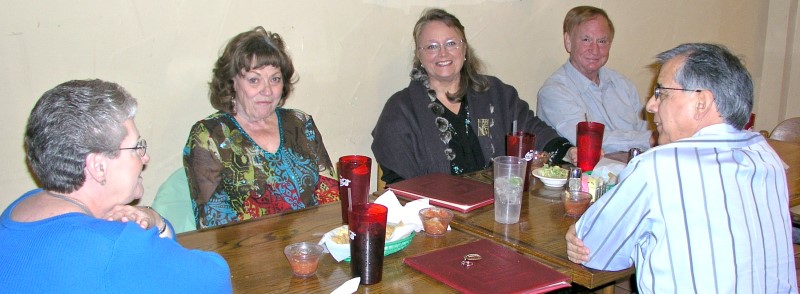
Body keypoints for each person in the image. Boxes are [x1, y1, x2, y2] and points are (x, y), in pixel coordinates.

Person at [565, 43, 797, 293]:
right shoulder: (767, 158)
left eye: (662, 93)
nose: (651, 106)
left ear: (701, 102)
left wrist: (579, 230)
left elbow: (593, 250)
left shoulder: (660, 167)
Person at [0, 79, 232, 292]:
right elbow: (214, 278)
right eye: (136, 147)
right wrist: (154, 231)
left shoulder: (18, 210)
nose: (145, 157)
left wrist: (156, 221)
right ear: (98, 166)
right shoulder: (119, 246)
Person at [372, 8, 576, 184]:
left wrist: (568, 152)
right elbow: (399, 182)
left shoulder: (495, 93)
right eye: (432, 46)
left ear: (464, 48)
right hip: (437, 217)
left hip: (498, 204)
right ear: (419, 55)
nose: (443, 53)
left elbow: (530, 128)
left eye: (451, 43)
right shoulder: (400, 109)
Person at [184, 27, 338, 229]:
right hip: (248, 253)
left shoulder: (300, 123)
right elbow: (213, 225)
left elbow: (332, 197)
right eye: (254, 80)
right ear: (232, 83)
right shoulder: (208, 136)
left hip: (312, 246)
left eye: (275, 79)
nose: (267, 90)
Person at [537, 6, 652, 153]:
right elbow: (590, 141)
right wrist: (651, 139)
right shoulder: (554, 91)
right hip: (585, 175)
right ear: (568, 41)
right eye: (586, 40)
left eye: (602, 41)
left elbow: (644, 129)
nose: (595, 50)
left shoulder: (623, 85)